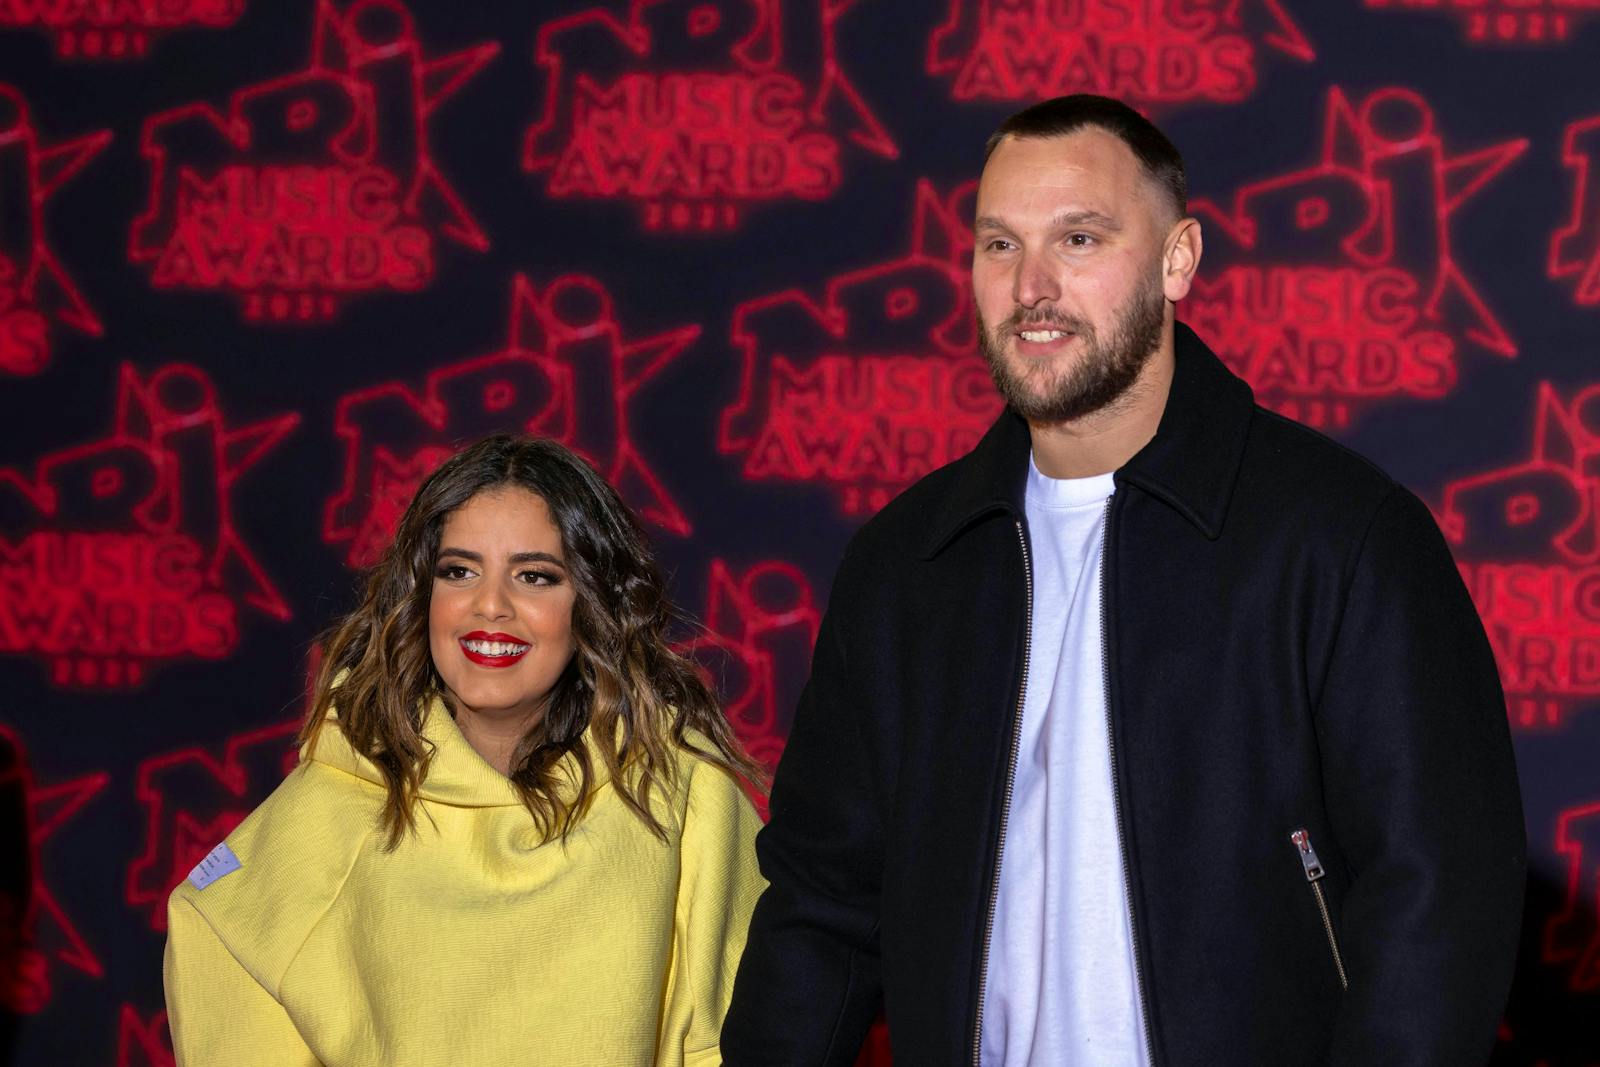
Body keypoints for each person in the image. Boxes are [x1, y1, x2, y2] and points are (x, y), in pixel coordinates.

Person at [721, 94, 1526, 1066]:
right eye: (999, 246)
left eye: (1080, 238)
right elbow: (820, 901)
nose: (1033, 286)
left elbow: (1435, 897)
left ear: (1177, 258)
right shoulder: (906, 565)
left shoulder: (1339, 536)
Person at [165, 434, 765, 1066]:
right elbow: (217, 930)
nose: (490, 606)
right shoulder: (333, 806)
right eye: (459, 571)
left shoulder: (679, 794)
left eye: (535, 576)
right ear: (423, 594)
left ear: (591, 602)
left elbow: (753, 1032)